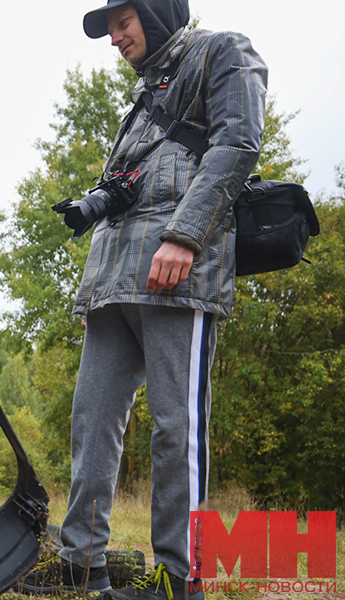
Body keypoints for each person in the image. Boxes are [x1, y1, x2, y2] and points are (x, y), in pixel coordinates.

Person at [19, 1, 267, 599]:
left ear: (156, 13)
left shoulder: (223, 50)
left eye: (122, 22)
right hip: (113, 279)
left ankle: (178, 581)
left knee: (176, 429)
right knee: (91, 422)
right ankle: (83, 565)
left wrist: (185, 234)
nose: (114, 39)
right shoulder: (143, 98)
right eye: (109, 29)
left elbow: (237, 144)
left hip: (180, 273)